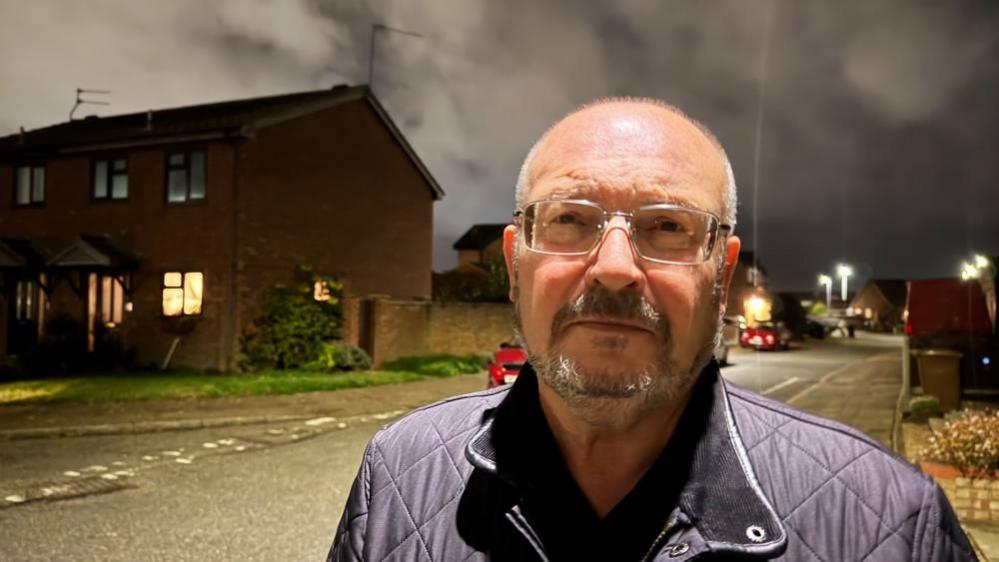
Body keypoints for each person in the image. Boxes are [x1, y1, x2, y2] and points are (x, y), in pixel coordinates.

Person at [328, 99, 976, 561]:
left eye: (667, 227)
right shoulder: (398, 472)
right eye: (568, 219)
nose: (613, 269)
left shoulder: (892, 522)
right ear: (514, 262)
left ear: (721, 274)